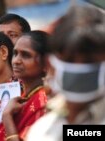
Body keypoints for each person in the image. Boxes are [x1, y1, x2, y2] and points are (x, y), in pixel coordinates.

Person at [25, 5, 105, 141]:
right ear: (51, 65)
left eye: (89, 61)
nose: (79, 69)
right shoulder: (42, 131)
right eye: (70, 60)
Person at [0, 30, 49, 141]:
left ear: (46, 63)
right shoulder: (23, 98)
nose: (16, 61)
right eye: (15, 53)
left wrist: (7, 117)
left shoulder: (43, 104)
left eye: (26, 55)